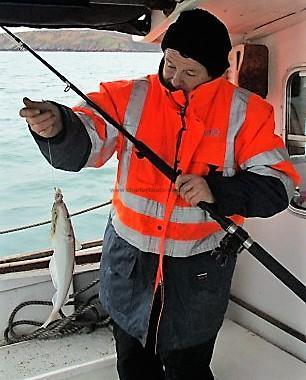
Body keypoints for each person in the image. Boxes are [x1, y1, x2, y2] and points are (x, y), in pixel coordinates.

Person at [19, 9, 299, 380]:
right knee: (133, 366)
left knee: (189, 369)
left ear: (215, 71)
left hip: (197, 274)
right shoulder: (129, 97)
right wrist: (57, 127)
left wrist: (216, 191)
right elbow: (87, 138)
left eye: (190, 73)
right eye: (170, 65)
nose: (175, 80)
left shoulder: (246, 113)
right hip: (129, 266)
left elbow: (279, 184)